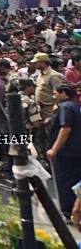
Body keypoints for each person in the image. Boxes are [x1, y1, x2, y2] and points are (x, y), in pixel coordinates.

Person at [47, 84, 81, 219]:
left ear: (63, 93)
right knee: (74, 180)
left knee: (65, 182)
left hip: (66, 152)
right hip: (75, 151)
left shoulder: (65, 107)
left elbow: (65, 129)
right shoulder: (72, 106)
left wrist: (54, 149)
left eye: (55, 94)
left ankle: (68, 211)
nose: (53, 96)